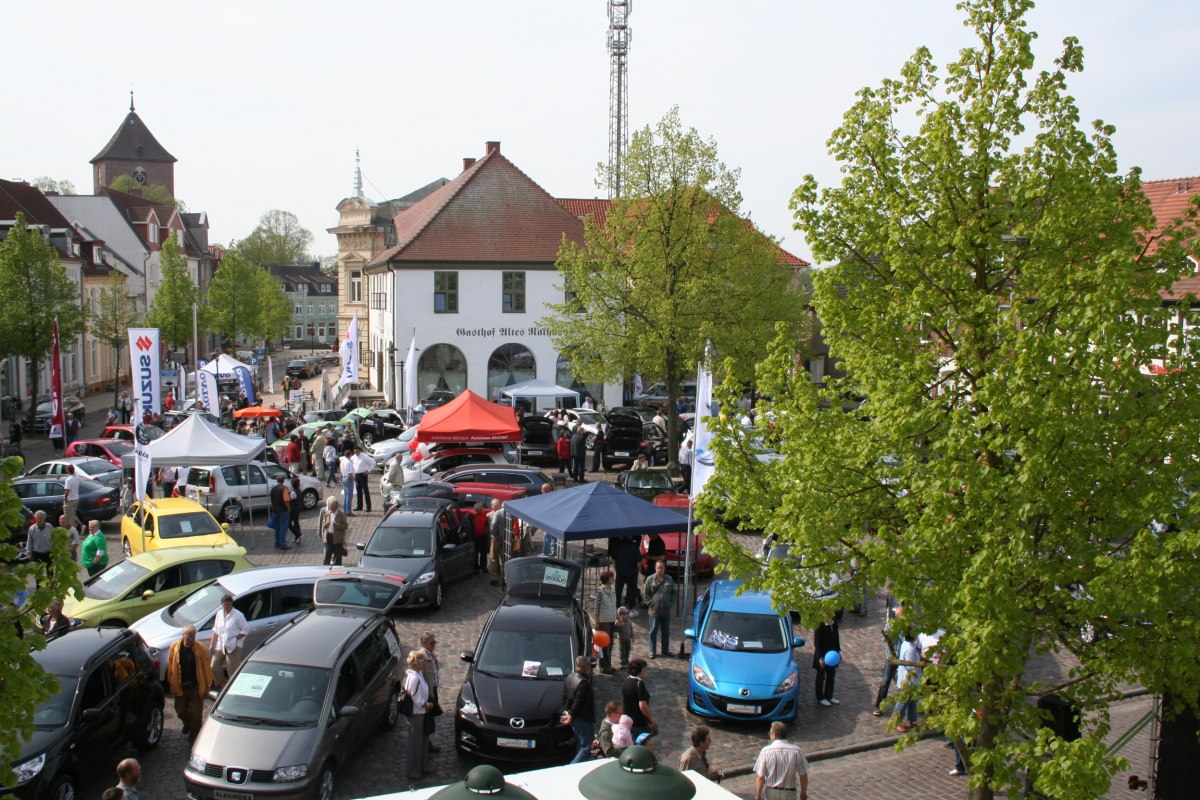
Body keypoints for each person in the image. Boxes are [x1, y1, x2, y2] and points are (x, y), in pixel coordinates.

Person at [167, 624, 214, 744]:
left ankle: (194, 740)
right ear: (183, 635)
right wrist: (170, 681)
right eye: (188, 637)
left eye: (192, 637)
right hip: (181, 686)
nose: (190, 640)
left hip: (196, 686)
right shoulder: (175, 647)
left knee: (197, 715)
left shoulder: (201, 648)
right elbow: (171, 664)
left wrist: (208, 684)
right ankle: (187, 723)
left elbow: (206, 667)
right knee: (180, 710)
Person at [753, 722, 809, 800]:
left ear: (775, 735)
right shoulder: (797, 751)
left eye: (770, 733)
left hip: (771, 792)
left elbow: (760, 778)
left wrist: (758, 796)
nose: (769, 735)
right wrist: (803, 792)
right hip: (789, 793)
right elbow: (803, 775)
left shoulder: (765, 751)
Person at [403, 650, 433, 786]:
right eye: (422, 662)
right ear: (418, 664)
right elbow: (415, 697)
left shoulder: (417, 674)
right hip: (417, 713)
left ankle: (422, 766)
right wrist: (425, 704)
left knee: (421, 740)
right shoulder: (414, 677)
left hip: (421, 712)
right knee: (414, 743)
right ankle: (413, 771)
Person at [210, 593, 248, 689]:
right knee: (214, 666)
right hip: (221, 644)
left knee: (231, 671)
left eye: (229, 604)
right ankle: (224, 686)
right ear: (222, 604)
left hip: (234, 646)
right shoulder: (219, 613)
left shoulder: (238, 615)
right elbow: (216, 630)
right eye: (225, 604)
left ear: (232, 604)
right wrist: (212, 644)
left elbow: (245, 630)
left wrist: (235, 639)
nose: (227, 606)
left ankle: (232, 690)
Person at [562, 655, 596, 763]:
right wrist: (571, 714)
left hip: (575, 718)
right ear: (586, 666)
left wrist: (567, 711)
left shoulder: (570, 677)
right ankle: (571, 769)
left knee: (579, 746)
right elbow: (579, 702)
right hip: (583, 718)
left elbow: (564, 696)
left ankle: (577, 769)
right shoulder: (583, 683)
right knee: (586, 749)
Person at [642, 560, 675, 658]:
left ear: (664, 568)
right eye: (658, 568)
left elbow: (674, 592)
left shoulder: (669, 579)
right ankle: (652, 650)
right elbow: (646, 595)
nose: (660, 570)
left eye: (662, 568)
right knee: (653, 631)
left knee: (666, 631)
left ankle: (665, 650)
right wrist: (651, 604)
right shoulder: (649, 579)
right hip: (654, 611)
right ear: (655, 568)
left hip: (666, 611)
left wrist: (671, 602)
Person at [892, 632, 922, 732]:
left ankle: (912, 719)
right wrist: (921, 664)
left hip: (910, 679)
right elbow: (910, 666)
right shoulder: (910, 649)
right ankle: (896, 722)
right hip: (908, 680)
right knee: (903, 701)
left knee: (913, 700)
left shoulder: (907, 644)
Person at [620, 658, 656, 739]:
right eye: (645, 669)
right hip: (639, 721)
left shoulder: (627, 681)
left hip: (629, 719)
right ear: (641, 670)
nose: (646, 671)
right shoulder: (639, 684)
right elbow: (642, 705)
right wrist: (651, 719)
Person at [420, 632, 443, 753]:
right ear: (424, 643)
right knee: (427, 719)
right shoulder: (422, 657)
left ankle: (428, 744)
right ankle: (426, 746)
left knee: (431, 717)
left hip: (433, 690)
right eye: (431, 643)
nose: (434, 644)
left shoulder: (430, 655)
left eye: (435, 642)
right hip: (428, 693)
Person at [609, 536, 641, 615]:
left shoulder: (617, 545)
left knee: (618, 590)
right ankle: (631, 609)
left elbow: (613, 559)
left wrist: (617, 569)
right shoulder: (634, 546)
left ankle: (616, 608)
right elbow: (639, 562)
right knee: (632, 590)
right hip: (632, 572)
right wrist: (638, 571)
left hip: (620, 571)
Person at [812, 617, 841, 706]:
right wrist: (820, 658)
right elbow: (817, 643)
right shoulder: (819, 625)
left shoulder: (834, 623)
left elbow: (836, 639)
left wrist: (838, 652)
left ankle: (829, 696)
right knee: (821, 677)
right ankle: (820, 697)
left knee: (831, 675)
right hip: (823, 655)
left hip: (832, 655)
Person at [593, 570, 617, 674]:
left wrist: (617, 617)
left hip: (611, 619)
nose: (613, 579)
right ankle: (604, 666)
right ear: (606, 579)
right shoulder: (600, 591)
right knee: (605, 644)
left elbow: (614, 604)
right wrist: (597, 622)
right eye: (611, 578)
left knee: (610, 644)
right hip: (604, 621)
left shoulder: (612, 589)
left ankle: (608, 665)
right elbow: (596, 607)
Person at [319, 496, 348, 566]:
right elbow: (323, 524)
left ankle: (337, 571)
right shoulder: (327, 513)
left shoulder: (341, 515)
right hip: (328, 537)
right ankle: (325, 569)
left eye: (330, 507)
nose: (328, 508)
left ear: (335, 507)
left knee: (337, 557)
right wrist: (326, 524)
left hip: (337, 539)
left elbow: (345, 526)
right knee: (327, 555)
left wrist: (337, 525)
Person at [268, 473, 292, 551]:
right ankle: (283, 544)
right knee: (283, 528)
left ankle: (277, 542)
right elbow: (286, 501)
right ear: (283, 481)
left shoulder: (273, 489)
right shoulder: (284, 489)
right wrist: (289, 508)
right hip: (283, 510)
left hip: (275, 510)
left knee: (277, 527)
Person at [486, 498, 507, 586]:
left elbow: (493, 525)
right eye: (495, 505)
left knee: (493, 558)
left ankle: (495, 578)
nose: (496, 507)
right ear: (492, 506)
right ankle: (505, 577)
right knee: (504, 558)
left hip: (497, 538)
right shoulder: (489, 514)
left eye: (497, 505)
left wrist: (494, 534)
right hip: (504, 538)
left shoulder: (498, 513)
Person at [352, 448, 376, 512]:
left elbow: (373, 462)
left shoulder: (365, 456)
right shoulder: (354, 457)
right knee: (358, 491)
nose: (356, 453)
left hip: (363, 475)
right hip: (356, 475)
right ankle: (359, 506)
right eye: (354, 452)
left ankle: (368, 507)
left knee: (366, 491)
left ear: (360, 451)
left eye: (357, 451)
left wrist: (368, 470)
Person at [339, 451, 356, 516]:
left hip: (343, 477)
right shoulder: (348, 462)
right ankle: (348, 511)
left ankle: (345, 510)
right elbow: (350, 473)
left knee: (346, 496)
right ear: (350, 454)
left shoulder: (343, 461)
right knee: (349, 496)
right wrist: (354, 480)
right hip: (348, 479)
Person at [287, 475, 304, 543]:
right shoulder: (298, 490)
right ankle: (297, 537)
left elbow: (290, 501)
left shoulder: (293, 492)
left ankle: (298, 534)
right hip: (298, 509)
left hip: (294, 510)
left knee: (288, 523)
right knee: (296, 522)